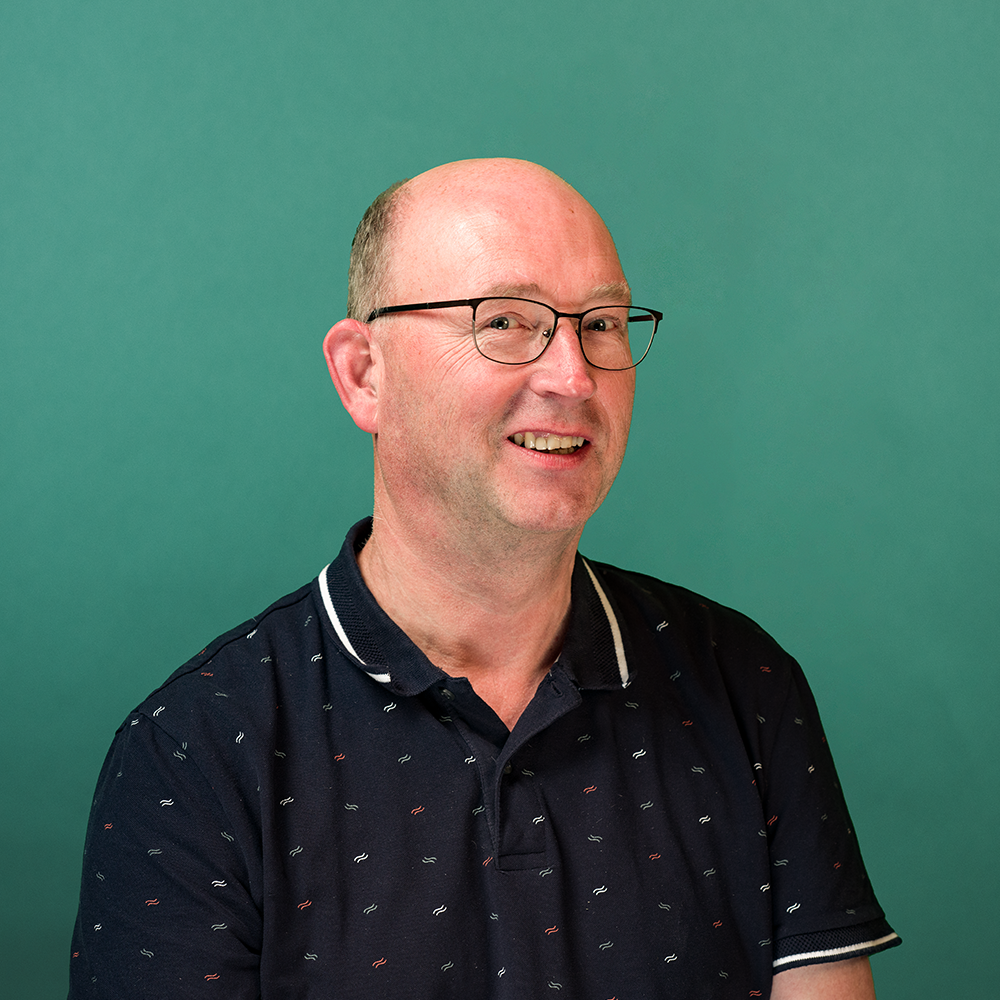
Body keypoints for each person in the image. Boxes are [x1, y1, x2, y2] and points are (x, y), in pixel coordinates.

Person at [69, 159, 900, 998]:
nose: (573, 376)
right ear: (364, 374)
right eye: (504, 321)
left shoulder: (746, 686)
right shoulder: (194, 751)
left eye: (602, 324)